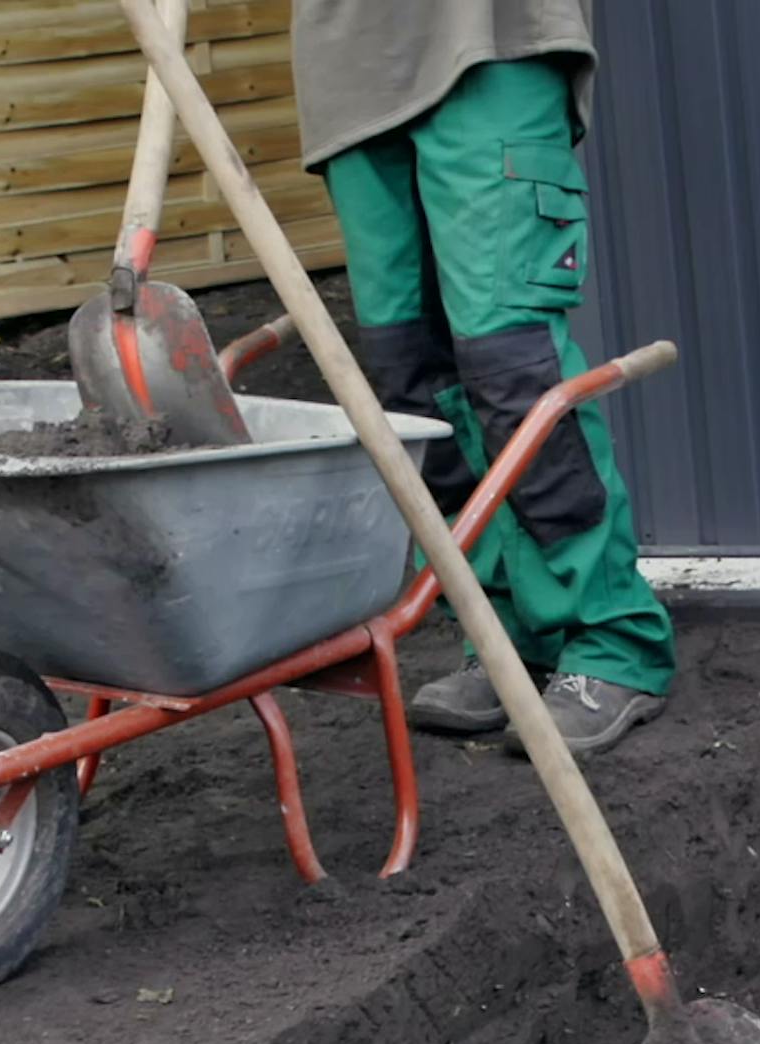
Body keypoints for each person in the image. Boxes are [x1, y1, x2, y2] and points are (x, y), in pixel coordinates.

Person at [289, 0, 674, 756]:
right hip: (348, 74)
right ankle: (504, 637)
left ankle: (612, 638)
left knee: (510, 364)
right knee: (412, 381)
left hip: (484, 41)